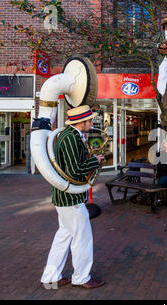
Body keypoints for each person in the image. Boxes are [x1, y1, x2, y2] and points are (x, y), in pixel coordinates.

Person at [41, 105, 105, 289]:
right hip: (70, 198)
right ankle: (82, 277)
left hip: (65, 196)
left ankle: (51, 276)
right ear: (81, 122)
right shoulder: (70, 138)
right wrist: (95, 161)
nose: (92, 123)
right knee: (82, 237)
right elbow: (74, 171)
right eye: (90, 120)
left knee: (64, 236)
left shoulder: (71, 135)